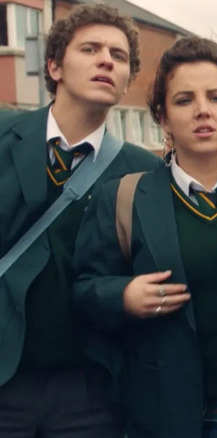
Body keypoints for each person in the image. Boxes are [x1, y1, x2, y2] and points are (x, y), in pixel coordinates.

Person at [71, 36, 217, 438]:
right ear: (163, 117)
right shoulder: (124, 197)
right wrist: (121, 297)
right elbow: (83, 290)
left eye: (215, 97)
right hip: (160, 415)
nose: (202, 111)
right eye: (184, 100)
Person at [0, 4, 159, 437]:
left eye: (119, 56)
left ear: (127, 80)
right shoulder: (3, 135)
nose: (106, 60)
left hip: (88, 390)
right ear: (54, 66)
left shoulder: (142, 172)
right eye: (90, 49)